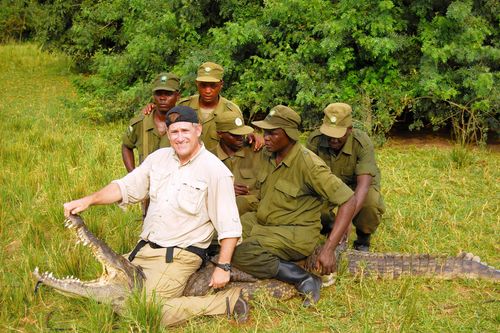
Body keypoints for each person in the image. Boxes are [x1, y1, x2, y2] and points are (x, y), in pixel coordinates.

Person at [64, 106, 248, 326]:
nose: (179, 138)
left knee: (143, 310)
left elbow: (230, 227)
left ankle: (227, 301)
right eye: (174, 132)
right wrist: (88, 200)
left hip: (178, 257)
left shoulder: (215, 171)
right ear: (168, 134)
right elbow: (125, 187)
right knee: (111, 298)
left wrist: (223, 267)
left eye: (185, 131)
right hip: (143, 250)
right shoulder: (158, 158)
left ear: (198, 130)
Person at [231, 105, 357, 307]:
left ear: (289, 134)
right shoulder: (268, 154)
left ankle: (302, 277)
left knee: (238, 253)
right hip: (263, 222)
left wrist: (328, 248)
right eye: (265, 132)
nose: (267, 137)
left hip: (293, 232)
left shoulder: (309, 164)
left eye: (273, 133)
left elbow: (349, 200)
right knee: (219, 234)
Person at [306, 103, 385, 252]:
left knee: (370, 203)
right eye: (329, 134)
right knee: (311, 204)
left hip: (356, 186)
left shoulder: (362, 142)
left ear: (350, 130)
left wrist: (346, 220)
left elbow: (363, 186)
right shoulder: (315, 140)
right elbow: (307, 177)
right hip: (329, 186)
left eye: (339, 135)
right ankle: (330, 228)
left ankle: (363, 237)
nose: (333, 140)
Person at [122, 73, 180, 218]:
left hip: (176, 189)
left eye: (168, 94)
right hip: (149, 190)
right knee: (149, 225)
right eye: (159, 93)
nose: (162, 98)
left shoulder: (184, 124)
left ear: (177, 96)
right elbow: (126, 146)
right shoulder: (140, 122)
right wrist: (134, 174)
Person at [212, 111, 265, 215]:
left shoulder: (256, 151)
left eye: (242, 133)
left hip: (254, 210)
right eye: (234, 135)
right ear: (220, 134)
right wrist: (224, 189)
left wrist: (260, 137)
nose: (240, 138)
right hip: (218, 212)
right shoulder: (208, 158)